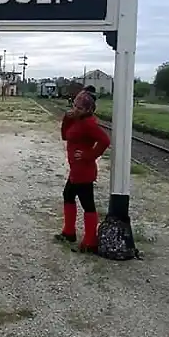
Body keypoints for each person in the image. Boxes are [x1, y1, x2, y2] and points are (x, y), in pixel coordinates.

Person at [56, 87, 110, 253]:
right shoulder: (77, 120)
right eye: (74, 106)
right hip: (76, 169)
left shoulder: (88, 124)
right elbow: (65, 135)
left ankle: (90, 242)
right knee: (68, 195)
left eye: (80, 108)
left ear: (88, 110)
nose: (75, 110)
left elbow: (105, 140)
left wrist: (89, 155)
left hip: (84, 170)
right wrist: (67, 118)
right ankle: (69, 232)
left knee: (88, 204)